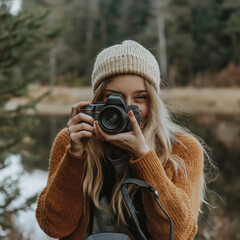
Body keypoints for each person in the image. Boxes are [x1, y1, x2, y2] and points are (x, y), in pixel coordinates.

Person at [36, 40, 206, 240]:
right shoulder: (72, 141)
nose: (127, 109)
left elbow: (177, 235)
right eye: (113, 98)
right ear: (97, 101)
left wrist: (144, 157)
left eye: (140, 98)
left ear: (153, 103)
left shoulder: (181, 149)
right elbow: (54, 227)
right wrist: (74, 156)